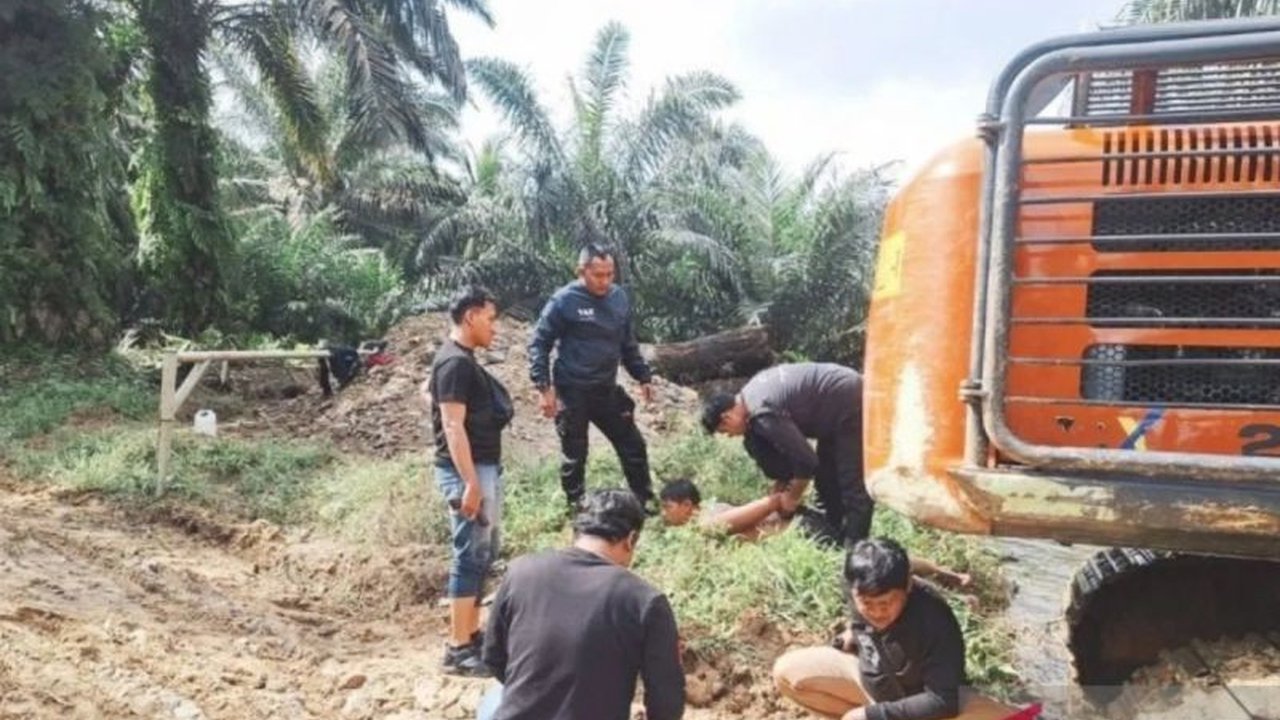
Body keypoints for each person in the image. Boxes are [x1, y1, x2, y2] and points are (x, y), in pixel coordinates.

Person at [479, 489, 685, 720]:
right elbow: (666, 701)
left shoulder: (520, 572)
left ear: (575, 531)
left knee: (493, 699)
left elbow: (494, 656)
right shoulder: (645, 601)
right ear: (631, 539)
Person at [773, 539, 1013, 720]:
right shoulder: (855, 584)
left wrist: (871, 716)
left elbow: (943, 701)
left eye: (886, 603)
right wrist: (853, 632)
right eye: (867, 604)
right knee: (788, 672)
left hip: (931, 708)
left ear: (907, 586)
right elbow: (862, 610)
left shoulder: (933, 618)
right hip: (873, 685)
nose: (877, 612)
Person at [657, 480, 973, 592]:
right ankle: (950, 577)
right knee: (869, 558)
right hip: (800, 528)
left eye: (667, 506)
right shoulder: (712, 513)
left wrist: (772, 501)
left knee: (866, 567)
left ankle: (946, 584)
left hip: (802, 533)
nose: (663, 514)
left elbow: (721, 528)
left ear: (687, 505)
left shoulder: (708, 518)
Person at [529, 243, 657, 511]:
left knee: (633, 444)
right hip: (572, 389)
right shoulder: (564, 301)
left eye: (610, 274)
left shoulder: (618, 298)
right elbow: (539, 343)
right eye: (598, 275)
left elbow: (627, 344)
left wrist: (642, 375)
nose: (605, 281)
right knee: (575, 454)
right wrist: (544, 387)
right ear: (581, 271)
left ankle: (644, 502)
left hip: (605, 389)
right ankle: (576, 508)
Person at [431, 285, 513, 677]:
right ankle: (457, 648)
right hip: (469, 471)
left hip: (481, 467)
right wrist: (470, 483)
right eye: (490, 318)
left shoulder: (461, 361)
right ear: (470, 317)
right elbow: (451, 424)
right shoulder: (454, 363)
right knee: (469, 555)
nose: (494, 327)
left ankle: (472, 633)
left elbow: (436, 403)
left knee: (484, 553)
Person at [702, 362, 872, 546]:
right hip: (833, 401)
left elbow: (807, 461)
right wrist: (777, 494)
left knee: (851, 481)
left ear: (727, 418)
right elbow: (792, 458)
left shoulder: (761, 412)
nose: (730, 436)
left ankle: (855, 547)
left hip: (845, 398)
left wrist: (792, 497)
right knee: (826, 479)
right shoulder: (750, 397)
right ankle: (835, 532)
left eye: (725, 432)